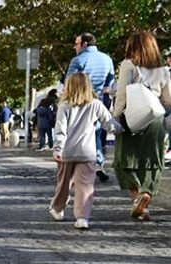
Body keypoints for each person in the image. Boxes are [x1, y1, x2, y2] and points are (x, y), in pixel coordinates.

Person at [112, 31, 171, 221]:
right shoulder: (163, 70)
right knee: (152, 162)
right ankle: (146, 195)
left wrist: (115, 117)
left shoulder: (128, 65)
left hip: (131, 117)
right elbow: (168, 99)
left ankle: (138, 197)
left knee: (125, 160)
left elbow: (121, 95)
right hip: (154, 120)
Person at [50, 73, 120, 230]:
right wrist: (122, 129)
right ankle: (82, 217)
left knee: (64, 183)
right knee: (85, 185)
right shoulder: (95, 104)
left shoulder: (64, 106)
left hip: (67, 152)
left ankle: (58, 209)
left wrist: (57, 149)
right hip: (87, 152)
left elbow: (60, 130)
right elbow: (109, 124)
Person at [65, 32, 115, 183]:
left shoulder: (78, 60)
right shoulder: (107, 59)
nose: (75, 47)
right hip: (100, 100)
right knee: (98, 133)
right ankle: (98, 163)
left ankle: (79, 166)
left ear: (84, 44)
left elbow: (69, 82)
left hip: (80, 101)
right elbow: (111, 81)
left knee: (80, 132)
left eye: (76, 44)